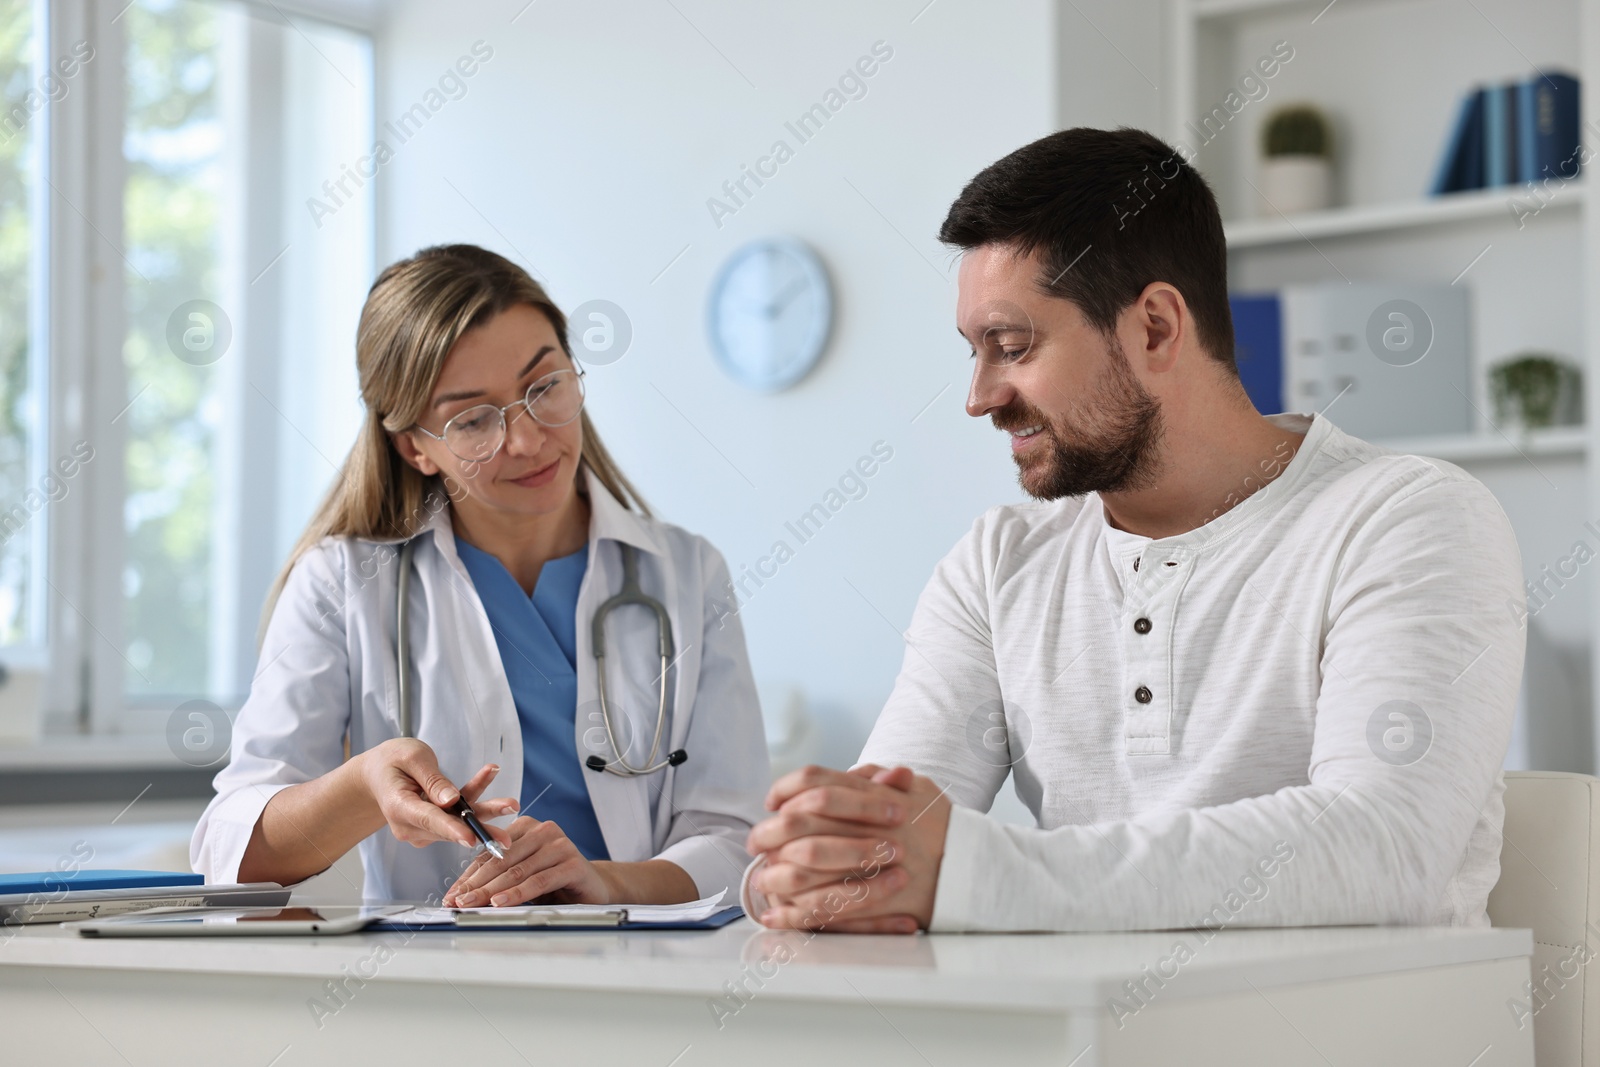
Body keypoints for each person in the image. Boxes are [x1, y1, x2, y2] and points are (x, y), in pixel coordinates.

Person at [741, 127, 1526, 934]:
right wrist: (809, 868)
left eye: (1011, 346)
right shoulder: (997, 564)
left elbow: (1382, 851)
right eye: (975, 352)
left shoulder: (1409, 519)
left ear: (1154, 326)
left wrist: (973, 873)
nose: (979, 396)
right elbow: (883, 847)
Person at [192, 244, 770, 907]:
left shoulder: (687, 574)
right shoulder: (341, 583)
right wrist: (363, 787)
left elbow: (735, 840)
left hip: (646, 983)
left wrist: (600, 882)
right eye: (472, 418)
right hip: (436, 991)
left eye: (545, 386)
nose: (526, 440)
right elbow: (230, 852)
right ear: (414, 446)